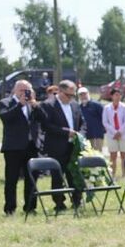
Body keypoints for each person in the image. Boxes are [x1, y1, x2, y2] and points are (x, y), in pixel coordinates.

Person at [34, 80, 84, 211]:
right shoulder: (48, 105)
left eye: (73, 95)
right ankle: (59, 203)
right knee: (58, 176)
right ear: (60, 92)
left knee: (74, 174)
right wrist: (65, 132)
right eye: (69, 95)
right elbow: (47, 126)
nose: (71, 98)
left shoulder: (74, 105)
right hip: (57, 146)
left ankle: (77, 200)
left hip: (74, 146)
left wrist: (80, 135)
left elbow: (82, 122)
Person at [0, 80, 40, 215]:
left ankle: (30, 207)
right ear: (15, 90)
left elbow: (43, 119)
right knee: (11, 179)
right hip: (13, 147)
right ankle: (10, 208)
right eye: (22, 90)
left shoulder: (32, 104)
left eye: (27, 90)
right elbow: (6, 117)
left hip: (31, 146)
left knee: (32, 179)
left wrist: (36, 106)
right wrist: (19, 105)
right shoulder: (5, 102)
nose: (24, 93)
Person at [102, 86, 125, 178]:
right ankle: (112, 174)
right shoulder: (107, 108)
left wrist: (120, 132)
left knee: (124, 155)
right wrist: (114, 132)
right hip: (111, 135)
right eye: (116, 95)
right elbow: (105, 122)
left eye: (119, 95)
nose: (118, 97)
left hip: (123, 134)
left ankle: (124, 174)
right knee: (113, 155)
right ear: (112, 96)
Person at [77, 87, 106, 152]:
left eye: (84, 94)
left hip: (96, 135)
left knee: (97, 155)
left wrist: (104, 130)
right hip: (85, 136)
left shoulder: (96, 105)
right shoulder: (79, 107)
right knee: (86, 155)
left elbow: (105, 118)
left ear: (88, 94)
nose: (83, 96)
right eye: (81, 95)